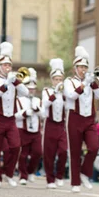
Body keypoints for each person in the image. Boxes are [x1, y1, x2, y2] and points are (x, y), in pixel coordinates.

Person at [63, 46, 99, 193]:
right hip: (74, 118)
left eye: (85, 67)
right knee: (75, 151)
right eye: (80, 67)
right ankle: (75, 182)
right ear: (75, 68)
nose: (83, 70)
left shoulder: (90, 81)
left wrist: (92, 83)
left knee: (94, 147)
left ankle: (85, 173)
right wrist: (85, 84)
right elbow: (71, 95)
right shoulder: (69, 81)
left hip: (89, 120)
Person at [0, 42, 29, 188]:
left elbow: (26, 92)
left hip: (11, 119)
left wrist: (16, 82)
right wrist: (6, 84)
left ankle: (9, 173)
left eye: (9, 65)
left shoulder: (13, 81)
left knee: (16, 146)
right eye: (5, 65)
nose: (8, 68)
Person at [42, 58, 67, 189]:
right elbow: (45, 104)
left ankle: (60, 175)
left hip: (62, 125)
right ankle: (50, 179)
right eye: (56, 79)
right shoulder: (46, 91)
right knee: (49, 153)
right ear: (52, 80)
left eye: (60, 79)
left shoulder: (66, 92)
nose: (58, 82)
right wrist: (56, 92)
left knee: (63, 151)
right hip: (50, 124)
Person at [16, 68, 43, 185]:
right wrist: (24, 113)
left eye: (33, 88)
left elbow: (44, 115)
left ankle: (31, 171)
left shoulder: (38, 100)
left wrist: (37, 111)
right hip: (23, 129)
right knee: (23, 154)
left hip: (36, 130)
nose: (31, 90)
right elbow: (14, 116)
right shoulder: (19, 100)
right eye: (29, 88)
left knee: (38, 152)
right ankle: (23, 175)